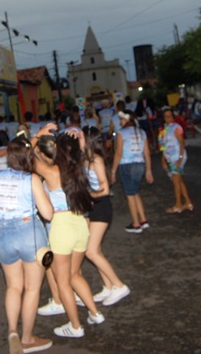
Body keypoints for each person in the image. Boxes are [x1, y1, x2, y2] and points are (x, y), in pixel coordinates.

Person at [0, 136, 54, 354]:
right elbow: (48, 213)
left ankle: (12, 330)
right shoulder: (31, 179)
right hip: (28, 232)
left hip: (3, 233)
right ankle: (27, 338)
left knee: (13, 286)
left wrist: (4, 215)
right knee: (32, 289)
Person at [34, 128, 104, 339]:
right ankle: (95, 313)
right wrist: (78, 139)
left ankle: (75, 326)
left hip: (61, 225)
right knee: (74, 275)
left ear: (56, 150)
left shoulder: (52, 172)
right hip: (80, 222)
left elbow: (28, 153)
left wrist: (38, 134)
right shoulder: (78, 169)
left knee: (63, 281)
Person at [82, 126, 130, 306]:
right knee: (95, 249)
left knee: (91, 251)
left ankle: (119, 285)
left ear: (87, 141)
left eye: (80, 137)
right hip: (92, 207)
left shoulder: (96, 160)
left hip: (101, 207)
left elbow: (105, 189)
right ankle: (108, 286)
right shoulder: (85, 159)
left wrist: (88, 195)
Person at [111, 110, 154, 233]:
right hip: (140, 164)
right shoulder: (142, 132)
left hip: (127, 165)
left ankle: (136, 224)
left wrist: (113, 170)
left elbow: (118, 153)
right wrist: (149, 170)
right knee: (135, 192)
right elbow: (147, 152)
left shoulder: (121, 133)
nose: (120, 121)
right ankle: (143, 219)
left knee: (130, 195)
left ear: (126, 120)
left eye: (121, 119)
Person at [159, 107, 193, 214]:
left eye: (169, 116)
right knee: (179, 181)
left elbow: (182, 143)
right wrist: (163, 159)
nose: (167, 119)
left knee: (176, 181)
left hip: (177, 157)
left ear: (173, 117)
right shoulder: (163, 131)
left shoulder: (176, 128)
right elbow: (163, 147)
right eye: (165, 117)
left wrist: (180, 158)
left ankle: (178, 204)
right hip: (171, 159)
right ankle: (188, 202)